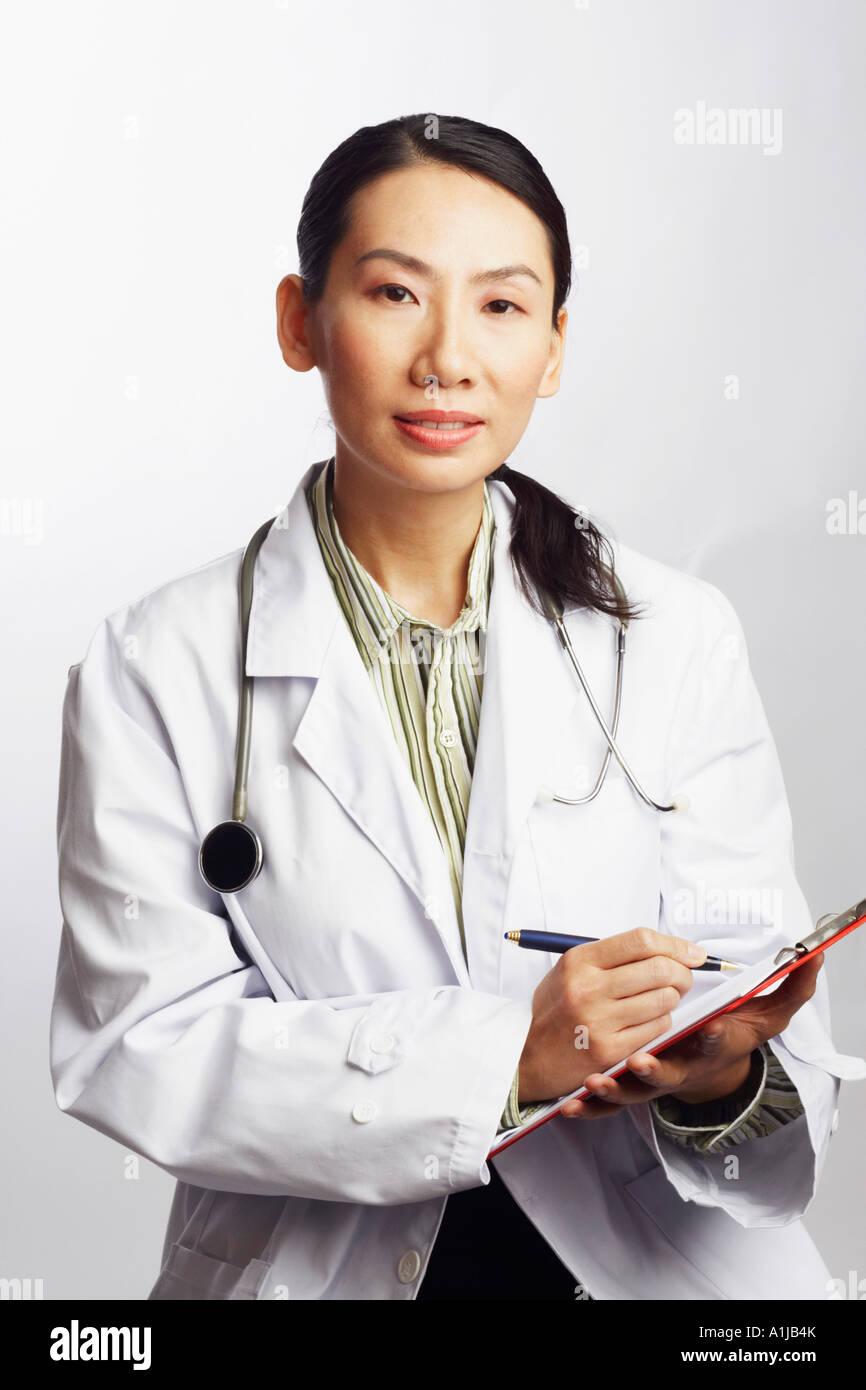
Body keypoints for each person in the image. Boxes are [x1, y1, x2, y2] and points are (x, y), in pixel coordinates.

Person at [50, 113, 864, 1301]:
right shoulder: (151, 664)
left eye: (499, 305)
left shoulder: (674, 632)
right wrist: (509, 1054)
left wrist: (721, 1077)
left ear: (553, 344)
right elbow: (137, 1045)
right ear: (298, 321)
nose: (446, 358)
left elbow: (773, 1085)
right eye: (392, 294)